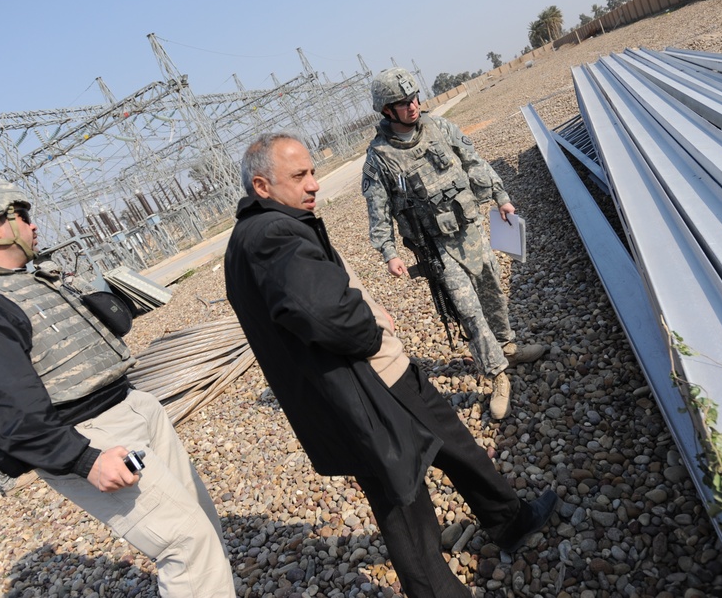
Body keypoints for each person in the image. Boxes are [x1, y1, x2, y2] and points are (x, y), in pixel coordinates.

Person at [225, 133, 558, 598]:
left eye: (313, 172)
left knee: (451, 441)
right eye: (299, 176)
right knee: (403, 501)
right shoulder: (271, 236)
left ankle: (508, 518)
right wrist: (372, 330)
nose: (314, 184)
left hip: (368, 380)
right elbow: (324, 315)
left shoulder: (261, 232)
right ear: (262, 186)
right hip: (365, 386)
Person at [0, 176, 235, 598]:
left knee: (198, 520)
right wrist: (84, 460)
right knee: (185, 541)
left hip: (130, 407)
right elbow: (7, 414)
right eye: (22, 216)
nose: (34, 226)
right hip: (92, 436)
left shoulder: (21, 282)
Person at [362, 67, 545, 420]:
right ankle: (498, 375)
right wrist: (389, 253)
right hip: (437, 248)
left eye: (415, 98)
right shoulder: (380, 158)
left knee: (492, 291)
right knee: (469, 310)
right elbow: (378, 210)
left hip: (471, 230)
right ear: (386, 110)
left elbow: (473, 162)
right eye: (403, 103)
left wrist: (501, 197)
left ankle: (507, 346)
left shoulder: (440, 128)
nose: (413, 106)